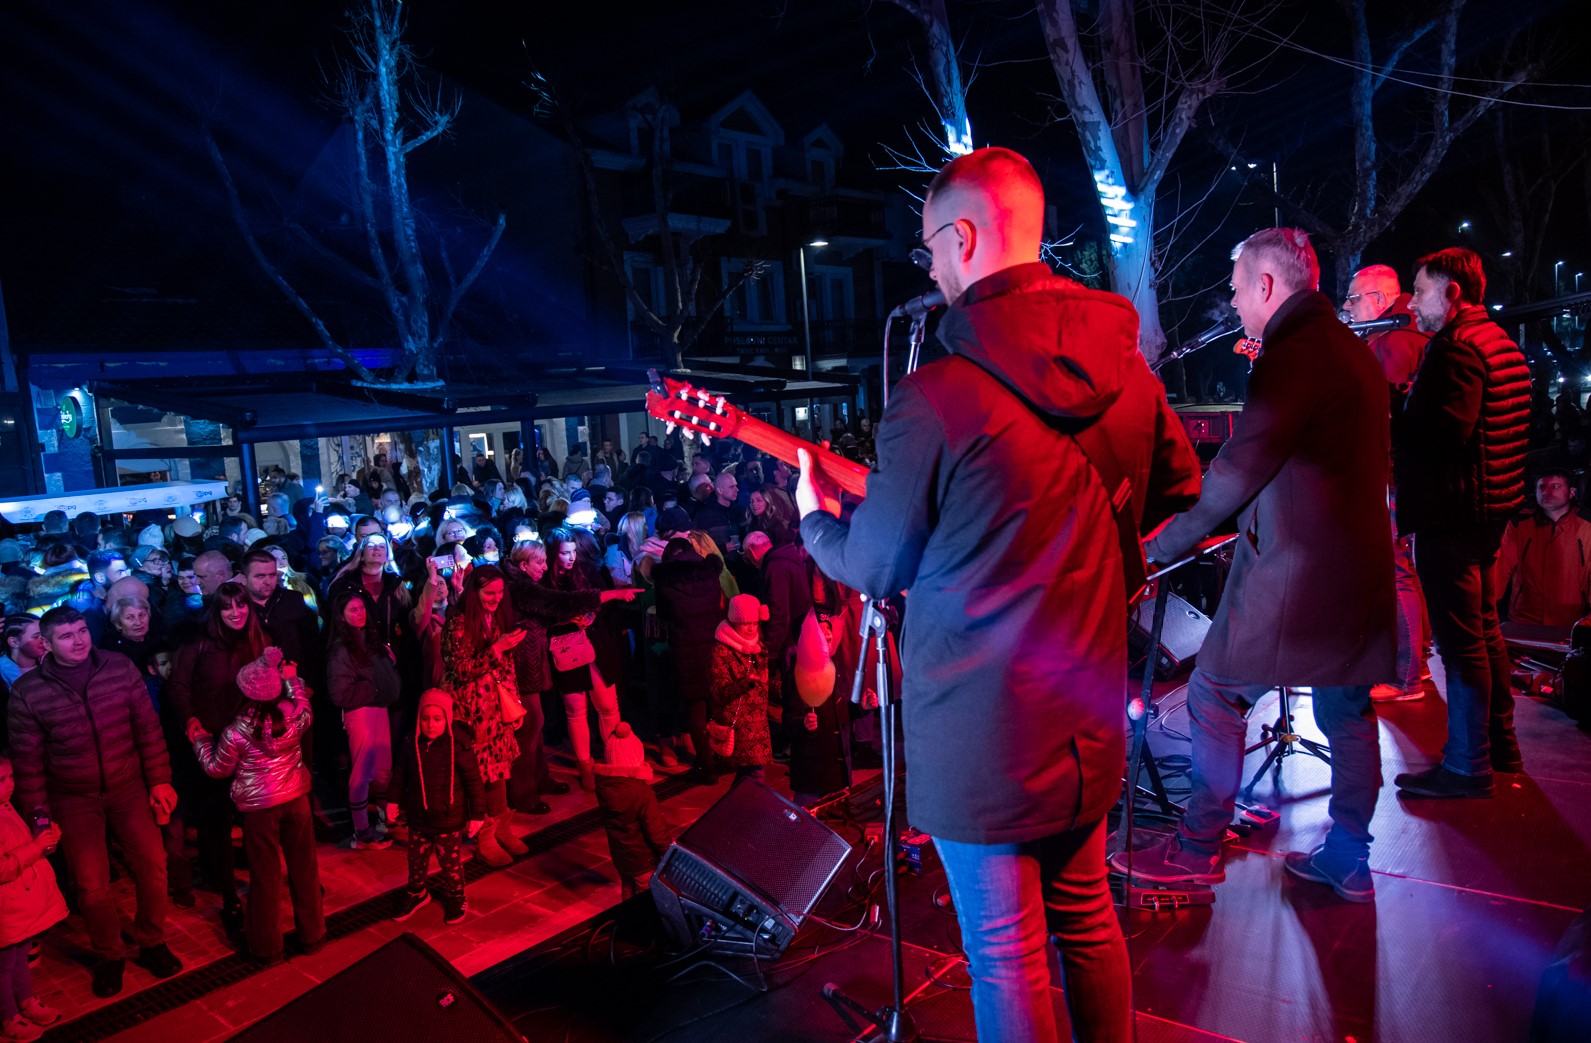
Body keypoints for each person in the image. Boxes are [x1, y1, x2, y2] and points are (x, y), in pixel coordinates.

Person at [795, 147, 1201, 1043]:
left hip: (978, 731)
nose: (929, 267)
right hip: (1084, 709)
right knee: (1089, 919)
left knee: (1007, 953)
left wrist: (811, 523)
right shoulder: (1126, 371)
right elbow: (1180, 488)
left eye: (929, 247)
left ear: (966, 236)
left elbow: (875, 566)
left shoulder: (937, 394)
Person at [1111, 227, 1396, 907]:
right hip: (1357, 573)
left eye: (1237, 290)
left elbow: (1232, 478)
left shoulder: (1292, 356)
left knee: (1212, 693)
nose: (1234, 304)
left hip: (1297, 579)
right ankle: (1347, 857)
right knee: (1346, 710)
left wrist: (1148, 550)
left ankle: (1196, 846)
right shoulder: (1348, 350)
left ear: (1266, 285)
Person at [1393, 247, 1531, 795]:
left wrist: (1395, 413)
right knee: (1485, 631)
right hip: (1489, 509)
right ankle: (1501, 750)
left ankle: (1467, 766)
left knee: (1461, 642)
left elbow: (1444, 437)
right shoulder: (1498, 341)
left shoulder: (1456, 349)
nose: (1413, 301)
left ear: (1451, 293)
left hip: (1454, 513)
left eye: (1421, 290)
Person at [7, 606, 182, 998]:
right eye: (66, 636)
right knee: (91, 883)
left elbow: (147, 729)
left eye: (82, 630)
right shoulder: (29, 691)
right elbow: (28, 761)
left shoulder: (118, 668)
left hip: (129, 785)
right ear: (45, 644)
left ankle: (152, 940)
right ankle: (110, 954)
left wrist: (160, 781)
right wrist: (38, 814)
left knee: (154, 866)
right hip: (73, 797)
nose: (79, 640)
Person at [190, 649, 324, 965]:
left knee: (264, 877)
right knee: (305, 868)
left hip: (259, 809)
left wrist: (199, 742)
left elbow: (216, 768)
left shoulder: (238, 730)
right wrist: (291, 681)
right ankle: (313, 936)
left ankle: (266, 949)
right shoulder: (292, 714)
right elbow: (306, 706)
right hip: (296, 800)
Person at [1343, 264, 1436, 704]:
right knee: (1403, 571)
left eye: (1353, 298)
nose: (1347, 306)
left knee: (1394, 572)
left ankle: (1406, 677)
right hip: (1402, 475)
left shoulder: (1394, 343)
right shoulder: (1399, 337)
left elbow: (1378, 413)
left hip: (1390, 476)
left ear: (1379, 301)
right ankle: (1416, 664)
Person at [167, 581, 267, 932]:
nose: (236, 613)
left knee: (255, 817)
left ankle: (265, 886)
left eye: (241, 606)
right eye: (228, 608)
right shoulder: (197, 643)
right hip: (212, 744)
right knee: (217, 823)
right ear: (216, 610)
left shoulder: (257, 640)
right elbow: (177, 687)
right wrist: (191, 721)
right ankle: (228, 895)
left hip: (251, 743)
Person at [440, 565, 526, 867]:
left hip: (497, 709)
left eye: (500, 593)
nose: (496, 598)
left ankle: (502, 828)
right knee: (482, 774)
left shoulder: (498, 618)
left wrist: (514, 703)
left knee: (501, 769)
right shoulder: (458, 623)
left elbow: (508, 666)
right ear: (475, 592)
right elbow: (459, 670)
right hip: (471, 711)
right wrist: (496, 649)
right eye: (490, 593)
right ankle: (484, 838)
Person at [386, 689, 486, 924]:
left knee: (450, 863)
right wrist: (392, 801)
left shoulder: (459, 746)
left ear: (447, 720)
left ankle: (456, 895)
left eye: (437, 719)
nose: (430, 725)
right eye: (425, 718)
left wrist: (477, 815)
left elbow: (474, 782)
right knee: (416, 860)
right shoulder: (411, 743)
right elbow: (400, 775)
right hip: (419, 817)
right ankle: (417, 892)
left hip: (448, 820)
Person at [541, 529, 624, 791]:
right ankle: (585, 764)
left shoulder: (586, 570)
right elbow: (543, 615)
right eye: (565, 553)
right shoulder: (545, 579)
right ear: (553, 553)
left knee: (608, 705)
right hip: (567, 648)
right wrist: (565, 620)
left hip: (595, 643)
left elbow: (606, 602)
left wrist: (591, 615)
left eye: (574, 551)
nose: (571, 557)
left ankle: (615, 757)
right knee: (576, 710)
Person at [0, 755, 67, 1042]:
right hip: (5, 907)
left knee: (20, 954)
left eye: (11, 777)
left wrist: (44, 840)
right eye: (0, 781)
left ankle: (25, 1001)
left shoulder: (6, 808)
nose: (9, 785)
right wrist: (35, 847)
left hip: (20, 904)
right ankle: (7, 1017)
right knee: (3, 964)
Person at [326, 592, 400, 849]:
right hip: (361, 713)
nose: (360, 613)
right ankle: (362, 834)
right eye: (353, 610)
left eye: (361, 608)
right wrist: (376, 689)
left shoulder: (369, 641)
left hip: (378, 711)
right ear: (342, 617)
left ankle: (381, 825)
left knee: (382, 772)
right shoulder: (342, 649)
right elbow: (341, 693)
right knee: (362, 773)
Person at [1495, 470, 1591, 627]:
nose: (1547, 492)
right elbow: (1501, 568)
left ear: (1571, 492)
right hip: (1524, 618)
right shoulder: (1520, 524)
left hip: (1569, 620)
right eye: (1541, 487)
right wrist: (1487, 607)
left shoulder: (1586, 526)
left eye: (1555, 486)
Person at [592, 721, 670, 900]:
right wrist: (667, 853)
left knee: (627, 885)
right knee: (646, 896)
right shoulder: (641, 792)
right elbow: (656, 832)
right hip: (643, 858)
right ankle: (640, 924)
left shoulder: (604, 787)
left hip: (621, 856)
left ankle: (626, 918)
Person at [707, 594, 772, 785]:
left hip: (758, 725)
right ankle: (740, 812)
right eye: (745, 624)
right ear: (734, 622)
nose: (751, 628)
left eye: (754, 623)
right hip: (740, 725)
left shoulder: (758, 646)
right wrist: (745, 681)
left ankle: (737, 812)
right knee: (754, 776)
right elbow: (718, 692)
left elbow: (764, 685)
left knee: (749, 777)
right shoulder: (722, 650)